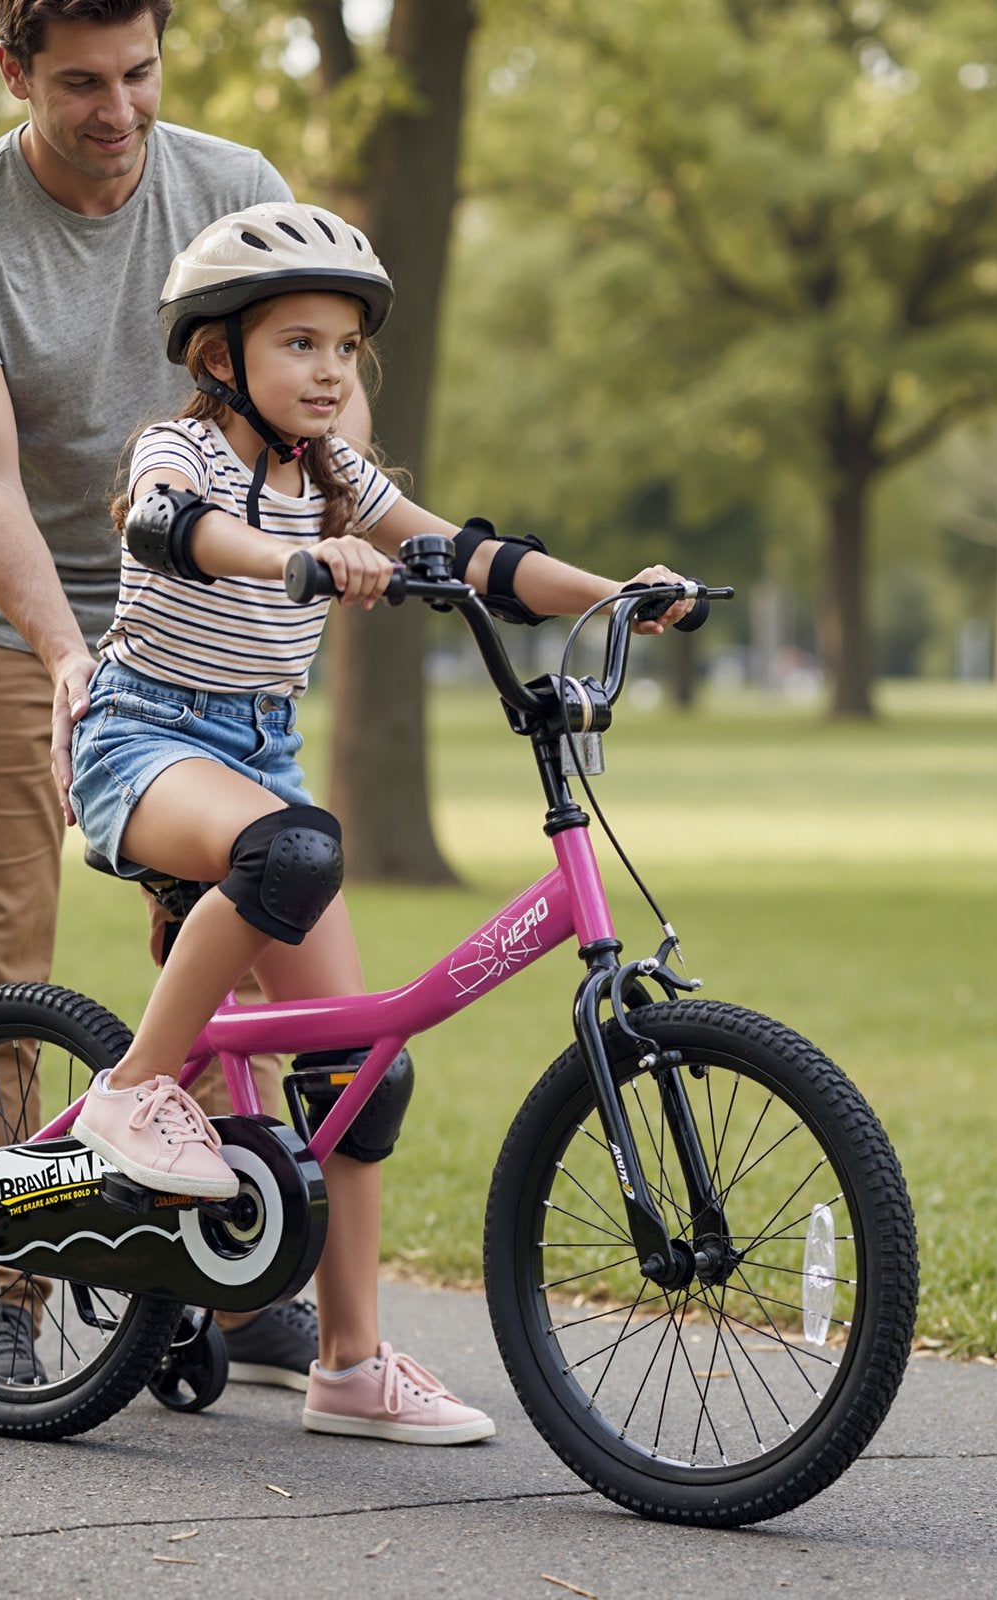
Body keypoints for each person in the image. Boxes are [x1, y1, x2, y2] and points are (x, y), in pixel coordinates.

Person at [67, 201, 696, 1443]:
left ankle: (350, 1364)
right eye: (298, 343)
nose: (328, 371)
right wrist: (295, 562)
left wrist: (616, 591)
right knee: (291, 847)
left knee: (359, 1068)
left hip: (258, 747)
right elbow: (167, 527)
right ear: (219, 355)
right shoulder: (178, 450)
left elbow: (473, 558)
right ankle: (130, 1093)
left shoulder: (335, 478)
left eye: (345, 348)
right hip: (143, 739)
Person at [0, 0, 333, 1389]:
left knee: (240, 920)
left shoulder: (236, 189)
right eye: (81, 82)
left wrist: (333, 542)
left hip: (199, 619)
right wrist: (66, 652)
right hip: (3, 620)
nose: (119, 111)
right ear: (13, 72)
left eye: (140, 73)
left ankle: (234, 1263)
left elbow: (314, 398)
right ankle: (1, 1281)